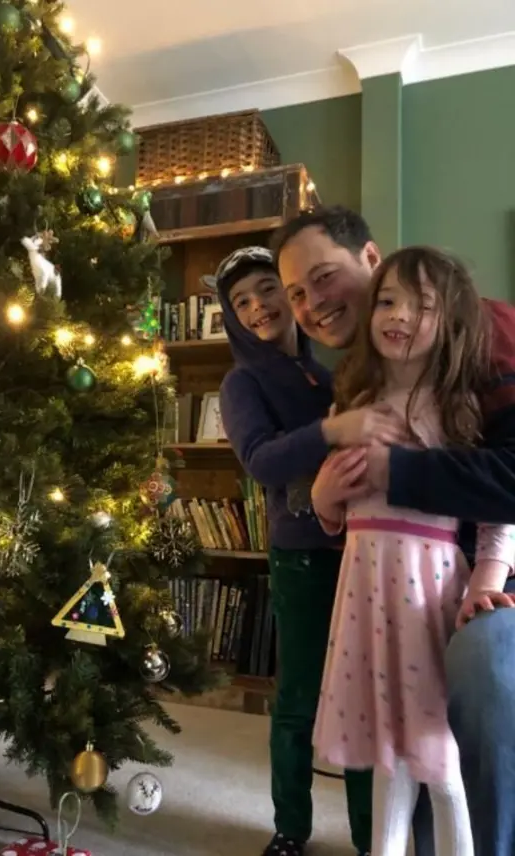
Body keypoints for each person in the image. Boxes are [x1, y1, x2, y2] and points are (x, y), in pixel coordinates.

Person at [274, 206, 515, 856]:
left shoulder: (473, 372)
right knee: (387, 751)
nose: (312, 303)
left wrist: (487, 579)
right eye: (295, 292)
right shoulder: (351, 394)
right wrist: (323, 500)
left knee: (436, 754)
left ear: (370, 260)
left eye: (324, 277)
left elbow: (503, 497)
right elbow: (331, 492)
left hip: (431, 587)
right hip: (366, 591)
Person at [216, 246, 410, 856]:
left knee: (360, 696)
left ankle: (366, 834)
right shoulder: (242, 381)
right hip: (301, 555)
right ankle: (290, 831)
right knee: (299, 696)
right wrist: (331, 434)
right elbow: (261, 461)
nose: (257, 308)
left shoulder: (326, 370)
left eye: (268, 290)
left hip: (359, 549)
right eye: (240, 302)